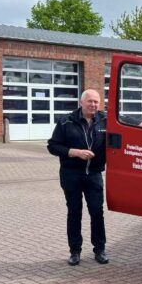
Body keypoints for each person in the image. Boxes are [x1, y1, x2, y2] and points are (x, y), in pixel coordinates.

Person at [47, 89, 109, 266]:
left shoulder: (104, 119)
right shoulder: (66, 121)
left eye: (96, 102)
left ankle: (100, 250)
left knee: (97, 212)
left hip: (94, 175)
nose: (93, 105)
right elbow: (52, 146)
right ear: (81, 102)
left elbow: (125, 122)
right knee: (74, 212)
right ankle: (75, 252)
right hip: (71, 175)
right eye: (90, 101)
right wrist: (74, 152)